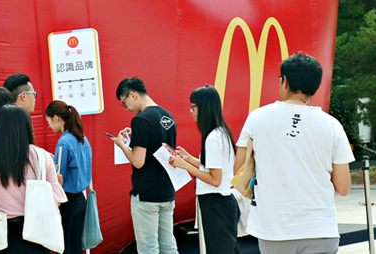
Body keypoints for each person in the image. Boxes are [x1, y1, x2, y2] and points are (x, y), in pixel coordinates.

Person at [235, 53, 353, 254]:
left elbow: (239, 171)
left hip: (274, 230)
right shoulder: (332, 126)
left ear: (284, 82)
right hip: (320, 229)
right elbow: (343, 187)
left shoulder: (256, 119)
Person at [0, 105, 66, 254]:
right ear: (27, 126)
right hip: (36, 234)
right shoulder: (41, 156)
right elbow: (55, 200)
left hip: (1, 237)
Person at [166, 86, 239, 254]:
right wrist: (189, 158)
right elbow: (213, 167)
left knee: (219, 250)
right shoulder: (221, 132)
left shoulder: (212, 138)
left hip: (215, 203)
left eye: (194, 106)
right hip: (222, 202)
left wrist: (186, 166)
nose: (191, 111)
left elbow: (215, 179)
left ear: (204, 107)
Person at [111, 77, 178, 254]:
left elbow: (138, 161)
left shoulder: (141, 120)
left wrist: (122, 144)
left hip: (147, 194)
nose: (126, 109)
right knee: (168, 246)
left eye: (124, 104)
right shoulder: (167, 116)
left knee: (148, 248)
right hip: (167, 191)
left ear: (132, 94)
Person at [44, 100, 92, 254]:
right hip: (80, 199)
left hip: (67, 201)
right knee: (76, 245)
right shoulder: (83, 139)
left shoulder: (64, 142)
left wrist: (49, 165)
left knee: (65, 247)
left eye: (49, 121)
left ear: (56, 118)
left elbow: (58, 176)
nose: (49, 126)